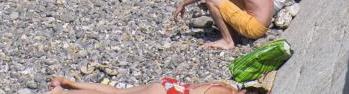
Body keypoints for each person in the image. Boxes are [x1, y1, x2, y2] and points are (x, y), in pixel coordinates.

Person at [48, 78, 238, 94]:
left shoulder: (227, 86)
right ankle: (61, 92)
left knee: (117, 92)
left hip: (170, 87)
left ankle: (69, 84)